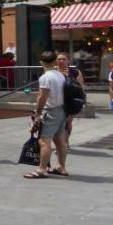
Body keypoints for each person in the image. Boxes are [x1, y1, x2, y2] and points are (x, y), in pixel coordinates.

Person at [24, 50, 69, 180]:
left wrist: (38, 113)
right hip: (62, 110)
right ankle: (61, 167)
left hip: (51, 111)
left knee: (44, 141)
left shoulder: (45, 77)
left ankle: (42, 169)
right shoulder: (60, 75)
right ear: (55, 61)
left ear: (41, 62)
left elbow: (42, 97)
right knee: (60, 140)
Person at [54, 53, 86, 145]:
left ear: (68, 60)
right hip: (57, 101)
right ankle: (60, 142)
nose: (61, 61)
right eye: (59, 59)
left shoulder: (75, 72)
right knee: (59, 123)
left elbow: (81, 87)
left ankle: (65, 141)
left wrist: (82, 101)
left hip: (71, 101)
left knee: (68, 122)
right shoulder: (53, 72)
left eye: (63, 59)